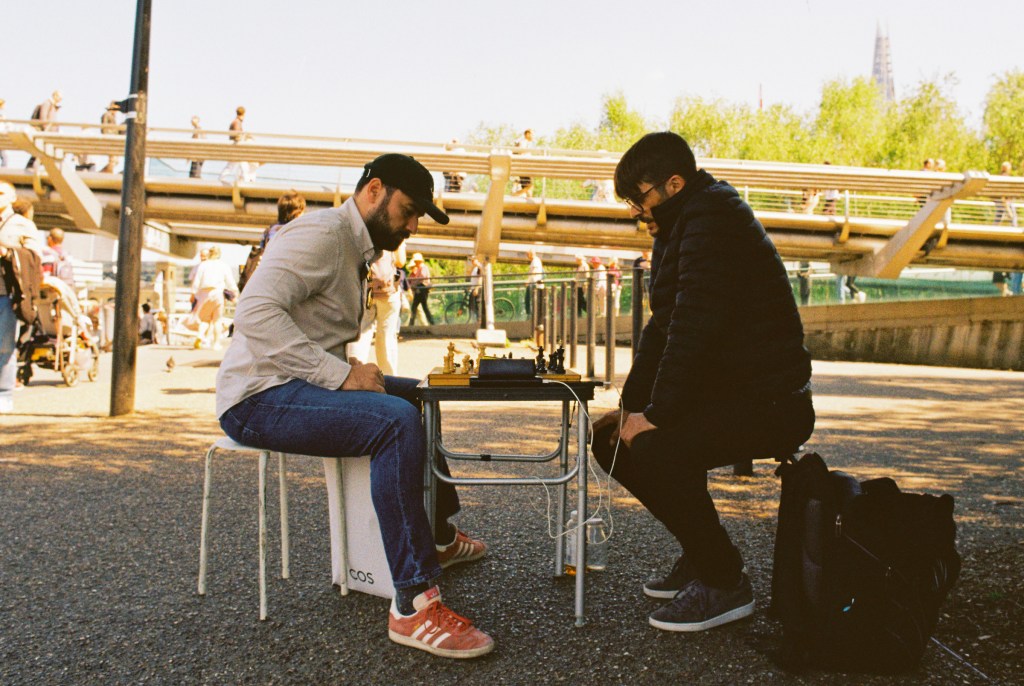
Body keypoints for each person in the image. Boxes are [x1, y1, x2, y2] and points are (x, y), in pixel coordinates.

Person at [216, 153, 493, 658]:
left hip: (296, 387)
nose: (411, 226)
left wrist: (341, 373)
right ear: (373, 191)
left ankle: (436, 537)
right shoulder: (322, 235)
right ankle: (412, 604)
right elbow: (253, 314)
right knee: (394, 422)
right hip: (257, 397)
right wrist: (341, 375)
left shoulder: (356, 247)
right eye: (407, 211)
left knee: (422, 395)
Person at [592, 132, 813, 633]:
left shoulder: (713, 218)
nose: (635, 211)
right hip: (734, 394)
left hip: (774, 402)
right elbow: (663, 325)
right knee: (611, 440)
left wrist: (657, 414)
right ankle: (703, 553)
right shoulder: (680, 223)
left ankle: (723, 581)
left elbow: (693, 327)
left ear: (674, 183)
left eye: (640, 198)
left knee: (655, 447)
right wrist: (630, 409)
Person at [0, 182, 44, 412]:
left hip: (7, 292)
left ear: (12, 197)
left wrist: (8, 252)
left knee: (5, 345)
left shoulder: (22, 224)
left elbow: (35, 258)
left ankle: (4, 393)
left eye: (1, 193)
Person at [348, 249, 403, 375]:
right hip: (387, 292)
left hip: (366, 290)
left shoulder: (363, 230)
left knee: (361, 335)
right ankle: (389, 378)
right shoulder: (396, 232)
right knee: (386, 337)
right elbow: (401, 261)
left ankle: (356, 374)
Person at [190, 245, 238, 349]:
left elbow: (196, 281)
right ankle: (216, 344)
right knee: (217, 320)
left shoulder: (203, 265)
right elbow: (230, 281)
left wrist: (193, 293)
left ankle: (200, 335)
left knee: (205, 319)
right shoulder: (223, 265)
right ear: (219, 254)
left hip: (204, 294)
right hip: (217, 293)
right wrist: (235, 291)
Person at [26, 91, 62, 170]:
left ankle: (34, 168)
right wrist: (46, 130)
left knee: (44, 152)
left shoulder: (52, 105)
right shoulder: (47, 103)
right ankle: (30, 168)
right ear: (55, 95)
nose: (61, 99)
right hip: (46, 132)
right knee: (41, 151)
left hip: (49, 133)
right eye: (60, 97)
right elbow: (43, 118)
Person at [407, 252, 434, 325]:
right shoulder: (420, 268)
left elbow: (421, 277)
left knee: (420, 306)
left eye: (416, 261)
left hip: (422, 289)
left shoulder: (423, 268)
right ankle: (431, 322)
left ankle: (412, 323)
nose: (415, 263)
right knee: (418, 306)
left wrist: (414, 283)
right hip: (420, 289)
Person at [99, 101, 122, 173]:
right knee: (113, 160)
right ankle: (104, 173)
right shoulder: (106, 115)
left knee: (115, 160)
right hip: (110, 139)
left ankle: (106, 172)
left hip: (114, 140)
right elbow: (104, 128)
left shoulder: (112, 116)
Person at [511, 128, 534, 198]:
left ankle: (529, 200)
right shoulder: (524, 142)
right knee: (529, 186)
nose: (533, 136)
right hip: (524, 166)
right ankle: (514, 194)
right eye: (532, 134)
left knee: (528, 188)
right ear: (527, 134)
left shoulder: (526, 143)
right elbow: (521, 153)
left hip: (524, 166)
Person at [525, 249, 544, 317]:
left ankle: (531, 315)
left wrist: (528, 281)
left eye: (528, 255)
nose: (527, 256)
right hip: (533, 283)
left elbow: (534, 271)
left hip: (534, 283)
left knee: (530, 299)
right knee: (530, 300)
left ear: (531, 254)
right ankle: (531, 314)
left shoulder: (535, 261)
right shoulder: (535, 261)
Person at [466, 255, 483, 321]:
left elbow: (480, 278)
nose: (472, 261)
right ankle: (477, 319)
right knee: (474, 305)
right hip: (474, 288)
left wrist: (477, 288)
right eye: (471, 260)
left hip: (478, 289)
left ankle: (479, 319)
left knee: (478, 304)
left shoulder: (479, 267)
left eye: (473, 260)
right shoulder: (475, 268)